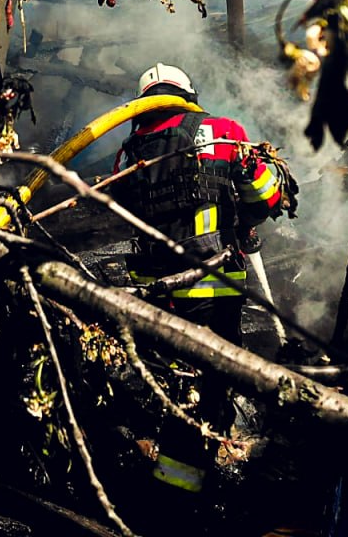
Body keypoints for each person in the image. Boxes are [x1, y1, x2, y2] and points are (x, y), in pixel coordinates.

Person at [113, 62, 295, 499]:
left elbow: (121, 209)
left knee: (171, 380)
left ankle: (165, 475)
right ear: (188, 95)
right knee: (210, 388)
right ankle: (185, 495)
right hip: (212, 292)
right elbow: (268, 195)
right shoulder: (221, 131)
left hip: (153, 295)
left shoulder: (128, 150)